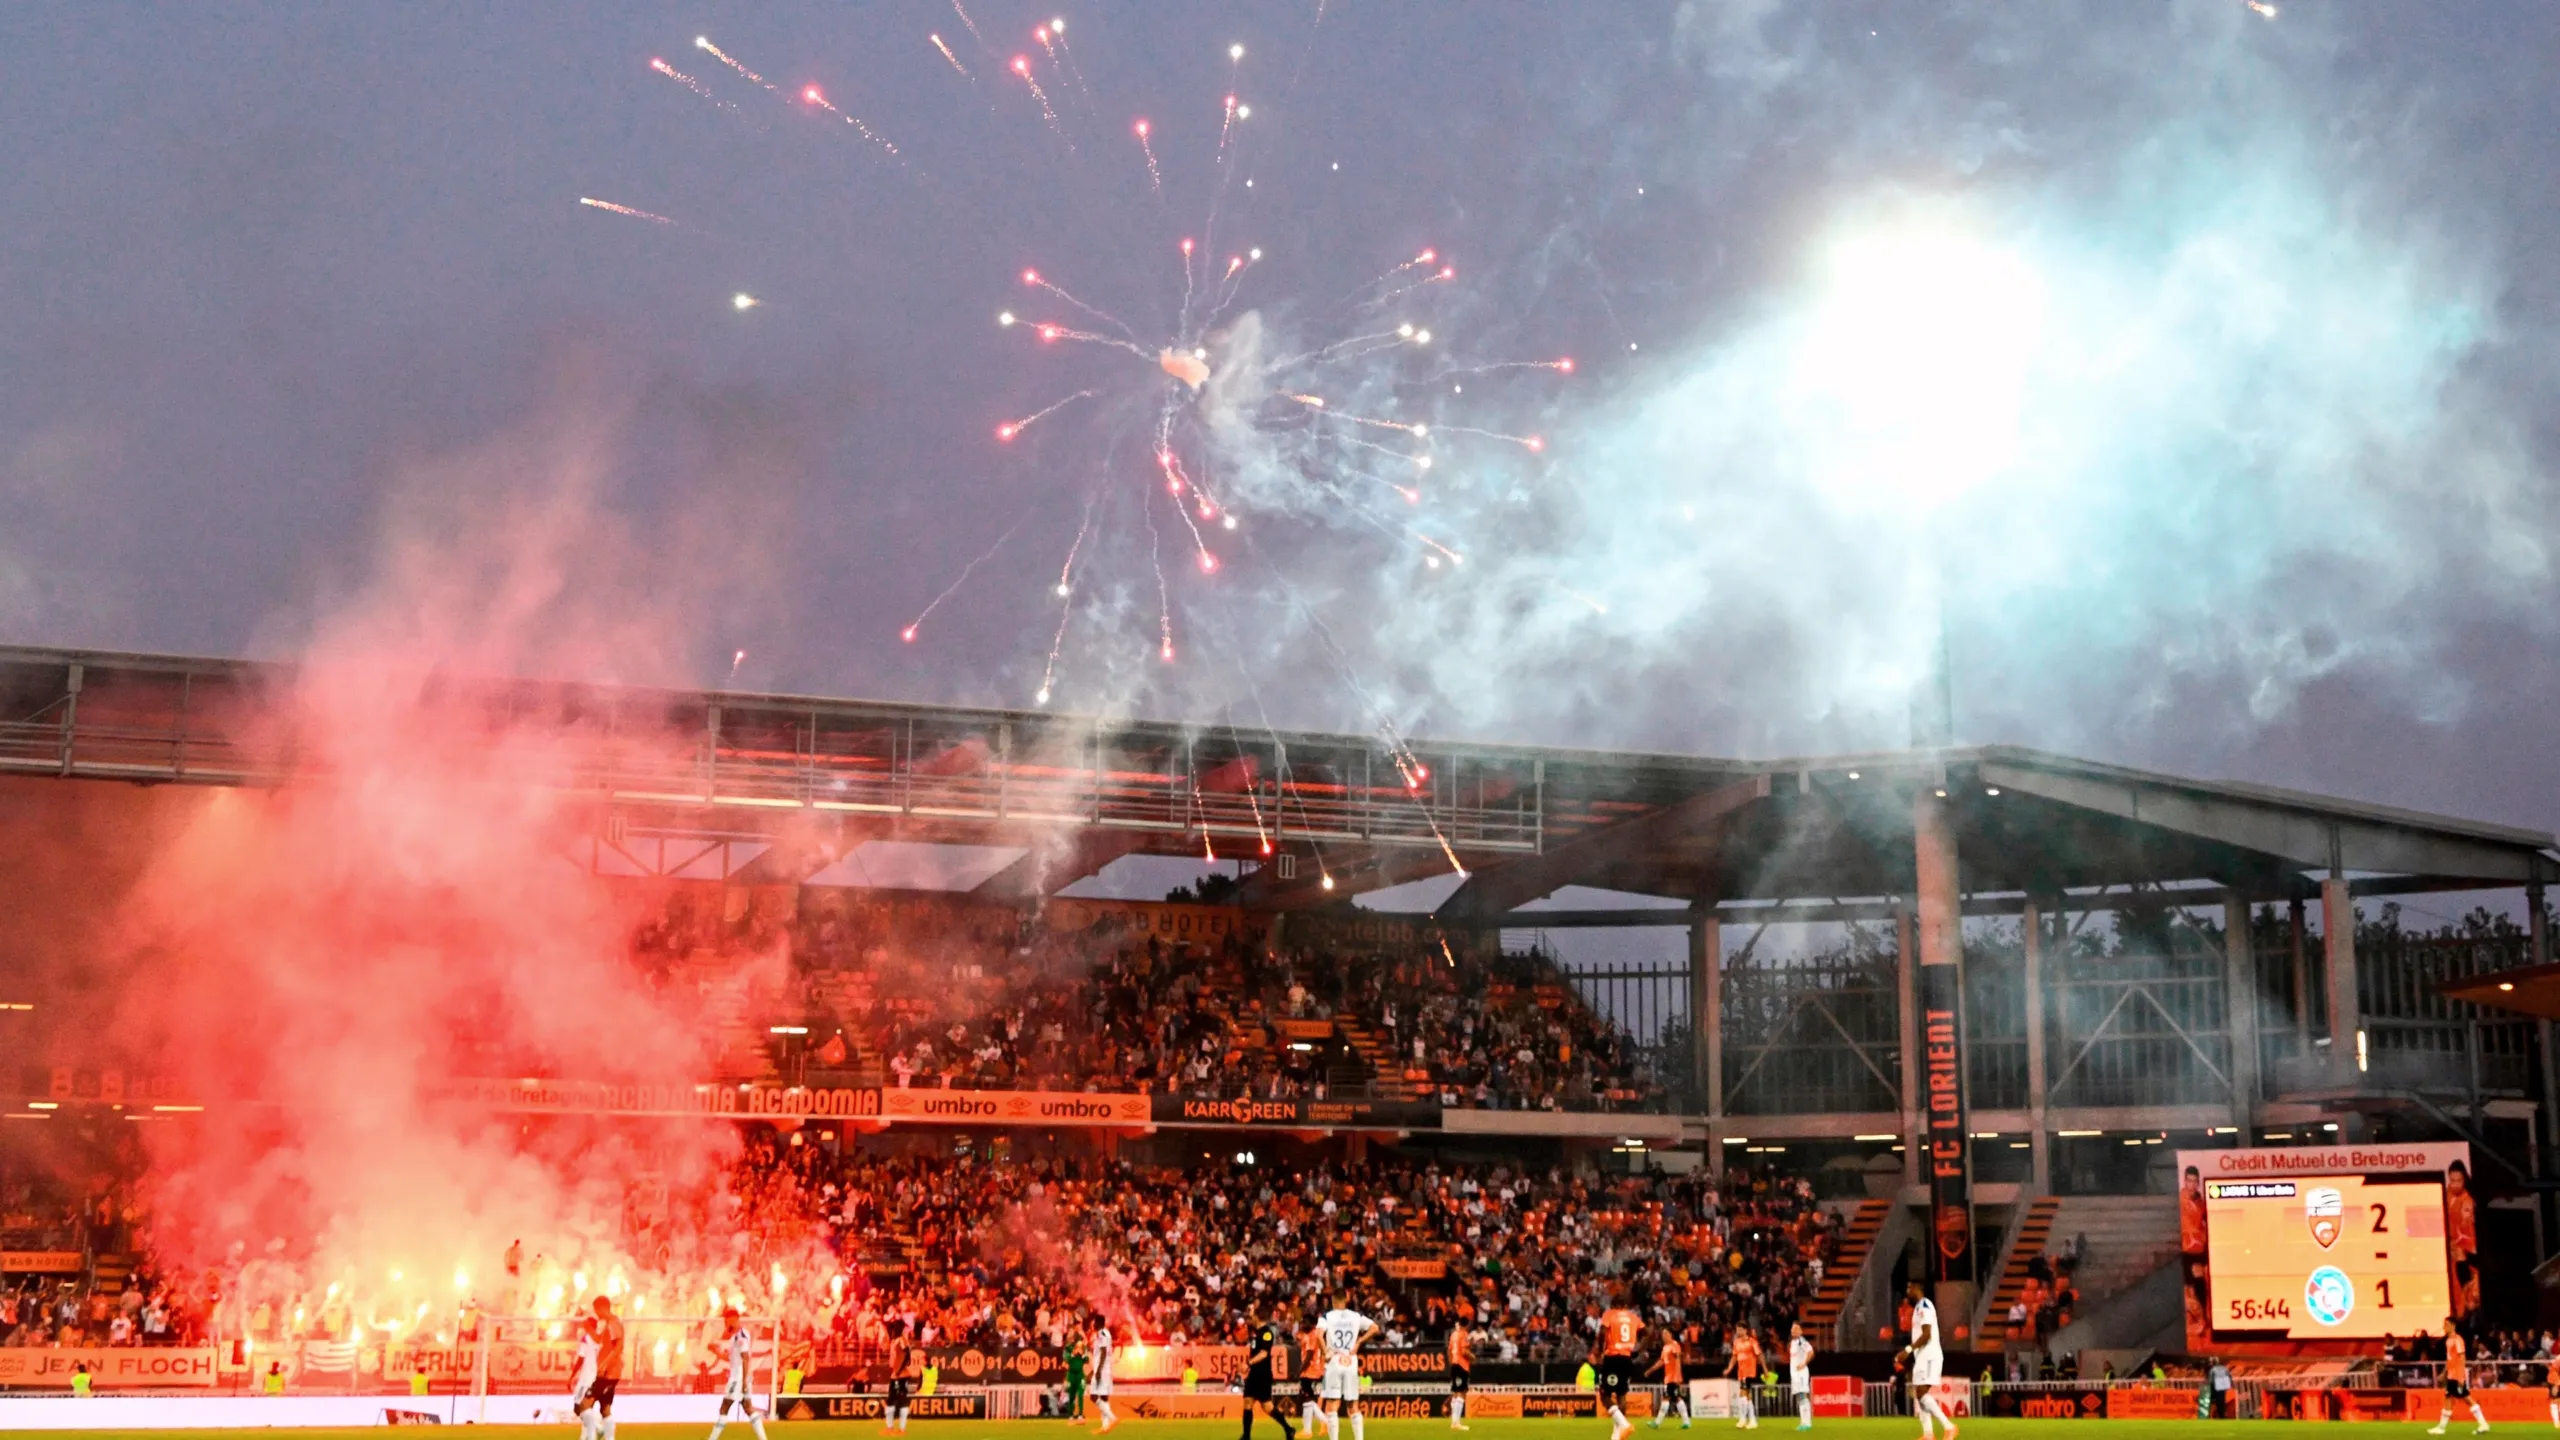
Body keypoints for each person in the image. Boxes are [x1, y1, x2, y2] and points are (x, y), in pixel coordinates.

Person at [1317, 1292, 1381, 1440]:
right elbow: (1375, 1328)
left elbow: (1318, 1335)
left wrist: (1325, 1351)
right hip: (1351, 1361)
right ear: (1345, 1301)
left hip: (1335, 1360)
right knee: (1353, 1405)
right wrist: (1359, 1342)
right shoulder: (1356, 1316)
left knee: (1333, 1404)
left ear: (1333, 1302)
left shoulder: (1327, 1316)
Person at [1898, 1282, 1954, 1440]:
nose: (1907, 1292)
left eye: (1910, 1288)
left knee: (1922, 1393)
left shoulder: (1925, 1305)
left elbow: (1926, 1334)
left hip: (1930, 1355)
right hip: (1922, 1356)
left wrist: (1908, 1350)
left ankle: (1948, 1426)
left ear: (1918, 1288)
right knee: (1919, 1393)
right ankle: (1928, 1434)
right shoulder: (1917, 1308)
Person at [710, 1308, 769, 1440]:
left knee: (724, 1408)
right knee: (748, 1408)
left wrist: (744, 1382)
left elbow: (745, 1358)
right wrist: (717, 1352)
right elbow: (732, 1359)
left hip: (737, 1379)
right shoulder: (739, 1336)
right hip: (742, 1378)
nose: (725, 1324)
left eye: (726, 1321)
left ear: (733, 1320)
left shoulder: (741, 1337)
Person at [1239, 1305, 1297, 1440]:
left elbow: (1264, 1353)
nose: (1251, 1318)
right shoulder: (1255, 1332)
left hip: (1263, 1374)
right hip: (1253, 1374)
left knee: (1267, 1407)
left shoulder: (1267, 1333)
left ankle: (1288, 1428)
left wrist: (1248, 1363)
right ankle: (1246, 1436)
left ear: (1258, 1317)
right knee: (1247, 1402)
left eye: (1253, 1316)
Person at [2431, 1322, 2489, 1436]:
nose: (2444, 1327)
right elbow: (2450, 1360)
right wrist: (2444, 1373)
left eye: (2446, 1325)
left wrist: (2461, 1376)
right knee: (2450, 1398)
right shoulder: (2448, 1341)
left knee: (2465, 1399)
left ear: (2452, 1326)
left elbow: (2462, 1358)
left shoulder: (2458, 1340)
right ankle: (2441, 1427)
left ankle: (2483, 1424)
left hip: (2457, 1375)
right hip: (2451, 1375)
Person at [1598, 1299, 1643, 1440]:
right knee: (1621, 1395)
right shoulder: (1633, 1317)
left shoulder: (1610, 1314)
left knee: (1604, 1395)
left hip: (1613, 1358)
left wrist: (1601, 1350)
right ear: (1625, 1305)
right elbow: (1649, 1333)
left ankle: (1624, 1424)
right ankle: (1617, 1436)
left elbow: (1602, 1332)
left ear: (1614, 1305)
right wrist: (1639, 1350)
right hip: (1627, 1358)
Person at [590, 1297, 627, 1440]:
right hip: (606, 1372)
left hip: (609, 1372)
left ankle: (603, 1433)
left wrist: (604, 1364)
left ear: (602, 1308)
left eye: (596, 1310)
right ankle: (604, 1433)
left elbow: (618, 1347)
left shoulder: (613, 1323)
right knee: (604, 1406)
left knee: (587, 1403)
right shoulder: (607, 1324)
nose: (596, 1314)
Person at [1647, 1330, 1691, 1429]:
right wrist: (1651, 1370)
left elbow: (1677, 1359)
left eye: (1666, 1334)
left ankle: (1657, 1423)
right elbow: (1662, 1361)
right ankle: (1686, 1422)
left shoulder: (1674, 1345)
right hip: (1668, 1377)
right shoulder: (1665, 1347)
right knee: (1676, 1398)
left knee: (1667, 1398)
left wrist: (1678, 1375)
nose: (1664, 1336)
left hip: (1673, 1377)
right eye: (1662, 1334)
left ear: (1671, 1335)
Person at [571, 1315, 602, 1440]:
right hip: (595, 1377)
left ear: (590, 1325)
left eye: (586, 1323)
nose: (583, 1325)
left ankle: (590, 1433)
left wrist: (572, 1376)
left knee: (579, 1407)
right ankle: (595, 1430)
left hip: (586, 1378)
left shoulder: (586, 1338)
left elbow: (581, 1358)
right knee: (584, 1407)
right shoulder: (600, 1339)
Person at [1726, 1326, 1762, 1432]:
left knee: (1743, 1393)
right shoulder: (1736, 1342)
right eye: (1737, 1329)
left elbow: (1759, 1355)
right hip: (1741, 1372)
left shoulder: (1752, 1342)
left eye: (1740, 1329)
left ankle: (1742, 1419)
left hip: (1749, 1371)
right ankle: (1753, 1420)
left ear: (1746, 1330)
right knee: (1748, 1396)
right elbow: (1734, 1356)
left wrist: (1764, 1369)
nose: (1738, 1331)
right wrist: (1729, 1368)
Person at [884, 1330, 916, 1434]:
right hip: (895, 1375)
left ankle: (902, 1429)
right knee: (890, 1400)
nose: (892, 1332)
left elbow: (907, 1351)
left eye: (894, 1328)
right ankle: (890, 1427)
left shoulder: (901, 1339)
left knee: (902, 1401)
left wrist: (900, 1369)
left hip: (901, 1376)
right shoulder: (895, 1341)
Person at [1091, 1318, 1119, 1435]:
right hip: (1106, 1369)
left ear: (1098, 1323)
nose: (1092, 1324)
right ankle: (1105, 1427)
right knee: (1103, 1398)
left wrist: (1098, 1370)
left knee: (1093, 1396)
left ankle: (1113, 1418)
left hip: (1102, 1370)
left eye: (1094, 1322)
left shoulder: (1102, 1334)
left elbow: (1103, 1352)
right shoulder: (1105, 1333)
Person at [1448, 1317, 1475, 1432]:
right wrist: (1472, 1357)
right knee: (1461, 1393)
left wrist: (1452, 1362)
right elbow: (1464, 1351)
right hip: (1462, 1365)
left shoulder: (1453, 1334)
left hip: (1454, 1364)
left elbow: (1449, 1350)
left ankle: (1454, 1421)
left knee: (1455, 1393)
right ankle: (1456, 1423)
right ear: (1467, 1324)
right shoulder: (1464, 1334)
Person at [1788, 1323, 1815, 1432]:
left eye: (1796, 1329)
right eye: (1792, 1328)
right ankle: (1803, 1422)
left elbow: (1811, 1352)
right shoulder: (1793, 1342)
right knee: (1800, 1397)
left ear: (1801, 1331)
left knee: (1803, 1396)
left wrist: (1804, 1363)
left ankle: (1807, 1423)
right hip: (1795, 1374)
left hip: (1801, 1373)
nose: (1793, 1330)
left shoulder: (1801, 1341)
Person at [1065, 1332, 1088, 1426]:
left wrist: (1082, 1354)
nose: (1080, 1344)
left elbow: (1086, 1360)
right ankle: (1070, 1415)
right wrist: (1074, 1354)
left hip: (1080, 1375)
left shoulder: (1083, 1348)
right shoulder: (1068, 1348)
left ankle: (1080, 1415)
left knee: (1081, 1394)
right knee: (1071, 1396)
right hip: (1071, 1375)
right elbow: (1066, 1359)